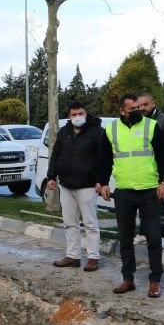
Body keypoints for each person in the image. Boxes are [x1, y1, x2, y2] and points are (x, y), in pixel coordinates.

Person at [98, 93, 164, 298]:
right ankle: (127, 279)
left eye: (139, 107)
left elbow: (162, 156)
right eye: (133, 109)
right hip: (124, 192)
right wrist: (103, 182)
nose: (138, 111)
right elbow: (104, 159)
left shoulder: (151, 126)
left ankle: (155, 281)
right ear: (122, 110)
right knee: (125, 238)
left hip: (149, 191)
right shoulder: (111, 129)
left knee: (154, 237)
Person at [45, 101, 104, 272]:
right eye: (74, 114)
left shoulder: (97, 132)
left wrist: (101, 180)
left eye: (80, 113)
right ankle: (73, 256)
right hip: (66, 185)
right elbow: (56, 155)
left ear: (86, 113)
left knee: (90, 224)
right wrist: (51, 176)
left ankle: (93, 257)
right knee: (69, 223)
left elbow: (103, 159)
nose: (77, 117)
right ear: (69, 116)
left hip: (87, 186)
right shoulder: (64, 132)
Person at [138, 92, 164, 248]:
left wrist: (160, 161)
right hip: (142, 171)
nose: (142, 108)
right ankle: (143, 233)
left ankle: (163, 235)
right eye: (139, 105)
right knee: (143, 202)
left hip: (159, 171)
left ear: (153, 104)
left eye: (145, 104)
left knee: (160, 202)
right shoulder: (139, 123)